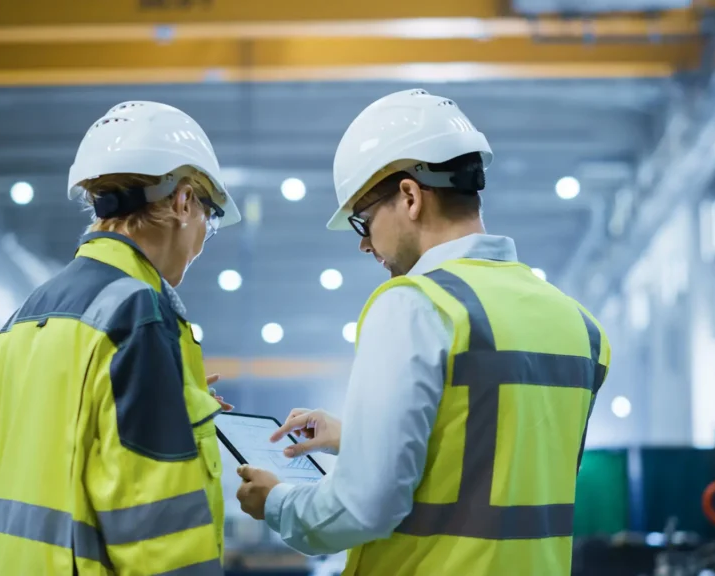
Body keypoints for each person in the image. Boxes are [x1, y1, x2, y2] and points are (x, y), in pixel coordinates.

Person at [235, 89, 612, 575]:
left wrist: (277, 502)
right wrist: (360, 439)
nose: (365, 244)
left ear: (410, 196)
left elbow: (362, 509)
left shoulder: (416, 305)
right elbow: (495, 467)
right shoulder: (579, 326)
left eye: (363, 222)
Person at [0, 101, 240, 575]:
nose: (203, 240)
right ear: (184, 203)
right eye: (210, 219)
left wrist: (183, 411)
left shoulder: (25, 315)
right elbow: (158, 525)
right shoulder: (137, 314)